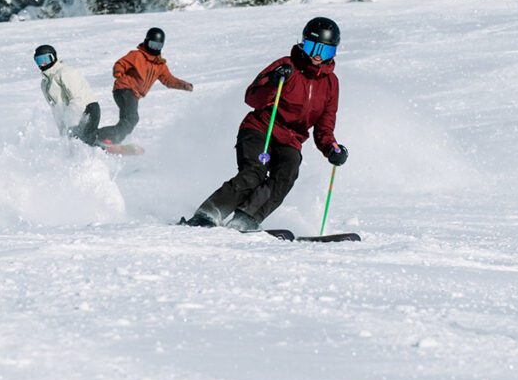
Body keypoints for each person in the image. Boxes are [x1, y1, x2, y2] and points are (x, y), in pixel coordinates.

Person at [185, 17, 349, 232]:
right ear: (303, 44)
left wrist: (331, 148)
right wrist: (273, 81)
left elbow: (324, 126)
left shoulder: (330, 83)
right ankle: (208, 213)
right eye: (312, 47)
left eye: (325, 51)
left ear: (333, 53)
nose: (317, 55)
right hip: (261, 128)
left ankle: (246, 219)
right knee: (254, 173)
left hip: (291, 139)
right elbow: (252, 98)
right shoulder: (286, 66)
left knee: (287, 173)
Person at [96, 27, 193, 145]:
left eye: (157, 46)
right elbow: (121, 63)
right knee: (131, 119)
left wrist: (184, 85)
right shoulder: (137, 55)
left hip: (133, 94)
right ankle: (97, 135)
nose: (154, 49)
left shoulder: (160, 66)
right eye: (152, 45)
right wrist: (118, 72)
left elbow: (169, 80)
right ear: (146, 42)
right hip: (125, 89)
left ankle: (110, 140)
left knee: (127, 121)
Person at [34, 44, 101, 146]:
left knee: (82, 143)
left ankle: (105, 152)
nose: (42, 64)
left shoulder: (65, 72)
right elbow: (55, 109)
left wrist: (72, 124)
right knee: (73, 145)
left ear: (53, 57)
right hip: (71, 116)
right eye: (38, 61)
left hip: (87, 109)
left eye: (45, 59)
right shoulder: (45, 83)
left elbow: (77, 99)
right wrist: (63, 132)